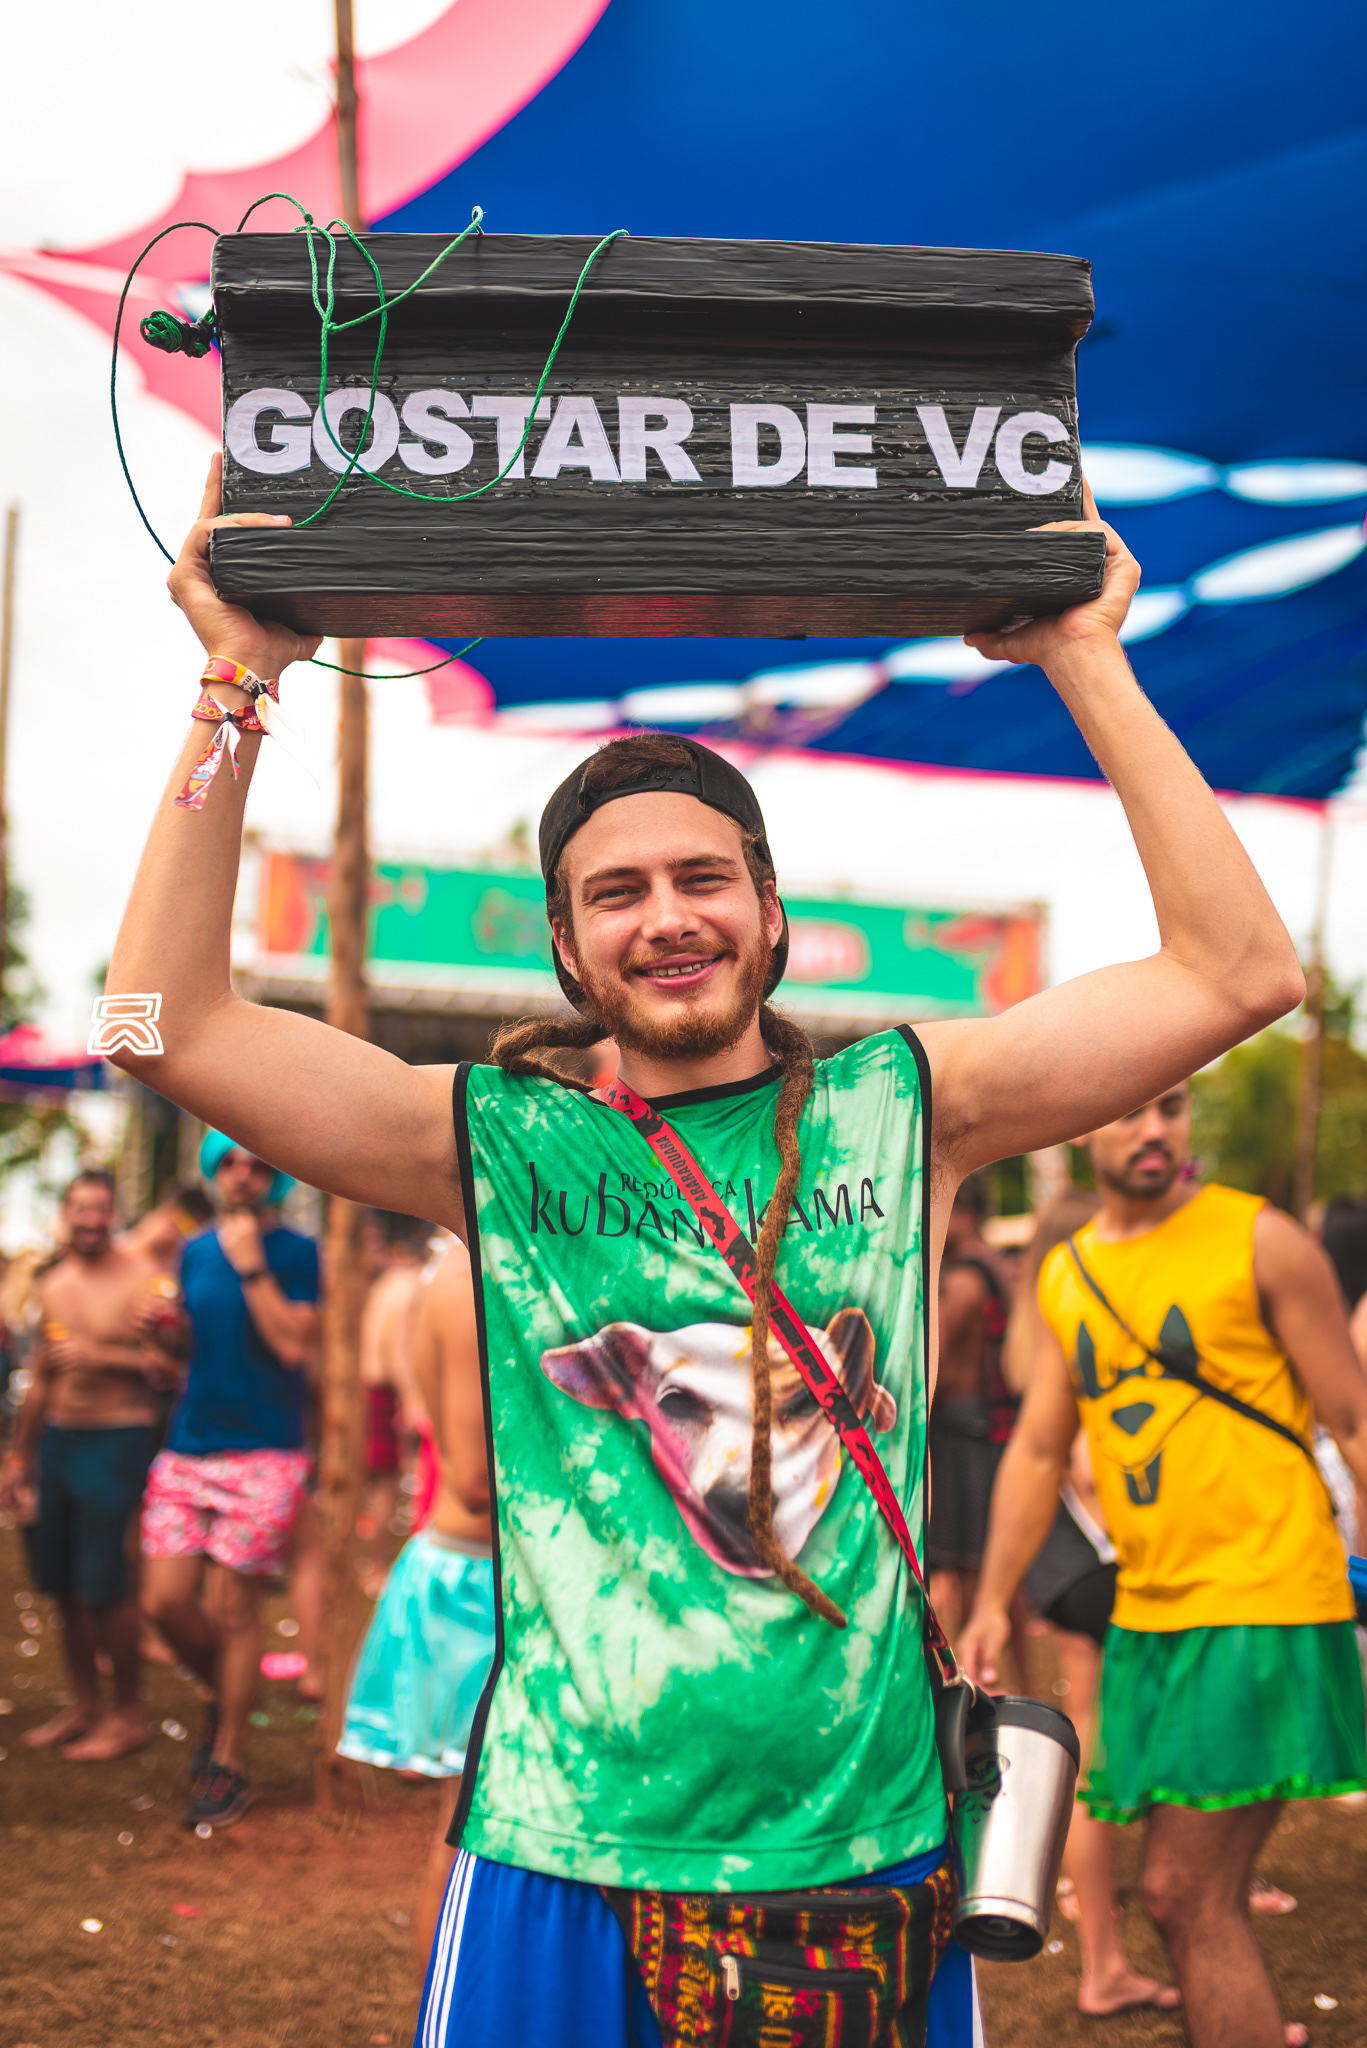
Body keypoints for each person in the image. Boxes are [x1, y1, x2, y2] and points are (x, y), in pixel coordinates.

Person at [101, 459, 1303, 2045]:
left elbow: (1238, 972)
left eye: (700, 879)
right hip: (559, 1843)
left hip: (859, 1848)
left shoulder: (907, 1107)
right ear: (564, 943)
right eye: (614, 893)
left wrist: (1083, 655)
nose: (664, 917)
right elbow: (158, 1023)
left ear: (768, 911)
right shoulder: (492, 1140)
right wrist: (236, 680)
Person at [959, 1083, 1367, 2048]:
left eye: (1172, 1109)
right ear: (1080, 1126)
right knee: (1182, 1894)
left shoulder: (1259, 1238)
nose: (1153, 1129)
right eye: (1130, 1110)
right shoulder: (1067, 1273)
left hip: (1261, 1599)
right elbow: (1037, 1451)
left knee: (1184, 1890)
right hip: (1146, 1617)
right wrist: (990, 1603)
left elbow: (1352, 1419)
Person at [1008, 1187, 1182, 2020]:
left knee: (1097, 1748)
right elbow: (1087, 1469)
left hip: (1062, 1567)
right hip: (1101, 1567)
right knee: (1105, 1757)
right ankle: (1106, 1958)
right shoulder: (1084, 1328)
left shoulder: (1033, 1330)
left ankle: (1099, 1923)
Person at [139, 1131, 320, 1829]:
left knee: (237, 1611)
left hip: (265, 1451)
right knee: (163, 1602)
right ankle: (228, 1690)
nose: (243, 1174)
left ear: (276, 1178)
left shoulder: (297, 1253)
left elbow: (292, 1346)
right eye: (231, 1162)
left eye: (259, 1164)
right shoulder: (193, 1251)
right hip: (189, 1447)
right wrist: (160, 1336)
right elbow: (194, 1346)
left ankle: (229, 1760)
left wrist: (251, 1268)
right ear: (215, 1171)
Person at [339, 1236, 495, 1968]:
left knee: (475, 1826)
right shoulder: (467, 1276)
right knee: (465, 1829)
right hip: (475, 1586)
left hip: (483, 1574)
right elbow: (476, 1483)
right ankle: (448, 2005)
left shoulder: (479, 1261)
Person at [0, 1170, 181, 1761]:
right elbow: (43, 1376)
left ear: (114, 1213)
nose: (89, 1220)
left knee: (107, 1584)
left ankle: (129, 1713)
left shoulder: (144, 1280)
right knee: (63, 1585)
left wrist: (99, 1355)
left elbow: (170, 1368)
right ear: (66, 1213)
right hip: (58, 1440)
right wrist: (19, 1454)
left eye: (100, 1208)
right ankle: (86, 1705)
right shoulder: (53, 1285)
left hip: (119, 1438)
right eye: (79, 1208)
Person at [927, 1174, 1014, 1635]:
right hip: (992, 1422)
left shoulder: (963, 1278)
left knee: (969, 1564)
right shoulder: (997, 1265)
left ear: (964, 1214)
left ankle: (972, 1660)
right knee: (994, 1563)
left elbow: (932, 1363)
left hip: (964, 1429)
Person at [358, 1211, 430, 1537]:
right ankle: (382, 1554)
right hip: (388, 1392)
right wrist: (411, 1395)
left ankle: (375, 1552)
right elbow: (395, 1346)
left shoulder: (387, 1282)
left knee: (381, 1480)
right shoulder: (408, 1283)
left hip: (375, 1390)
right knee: (392, 1478)